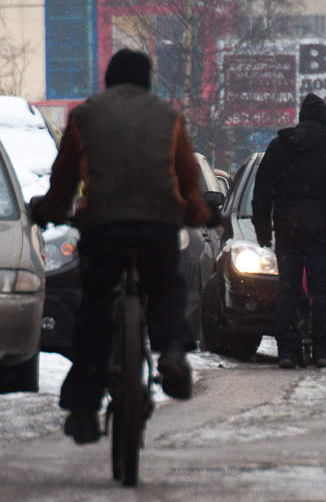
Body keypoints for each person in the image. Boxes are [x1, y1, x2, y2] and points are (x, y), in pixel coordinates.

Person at [32, 49, 217, 445]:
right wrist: (201, 214)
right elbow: (187, 181)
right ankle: (170, 349)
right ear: (148, 79)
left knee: (95, 308)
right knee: (166, 288)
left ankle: (84, 411)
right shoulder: (169, 117)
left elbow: (63, 181)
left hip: (103, 226)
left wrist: (48, 211)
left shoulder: (85, 115)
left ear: (109, 80)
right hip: (158, 226)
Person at [252, 93, 326, 369]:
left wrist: (263, 230)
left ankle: (287, 351)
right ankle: (323, 351)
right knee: (321, 290)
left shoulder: (278, 147)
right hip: (320, 230)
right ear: (324, 121)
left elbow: (262, 191)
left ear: (300, 119)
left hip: (287, 228)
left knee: (287, 290)